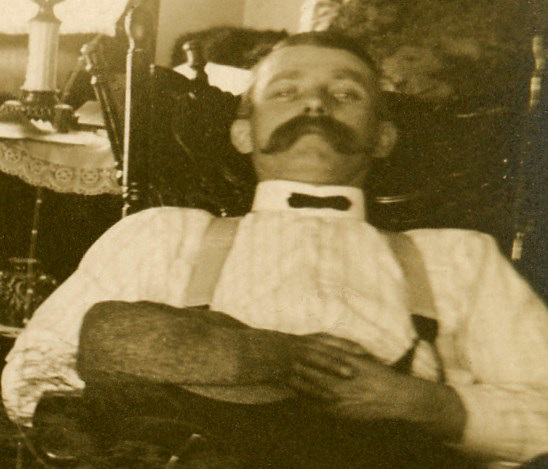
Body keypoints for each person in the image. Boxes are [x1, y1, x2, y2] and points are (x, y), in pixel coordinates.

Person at [2, 32, 547, 468]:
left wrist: (430, 406)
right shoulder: (162, 235)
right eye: (286, 91)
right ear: (243, 133)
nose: (315, 102)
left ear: (382, 137)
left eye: (346, 93)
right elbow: (35, 368)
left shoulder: (457, 259)